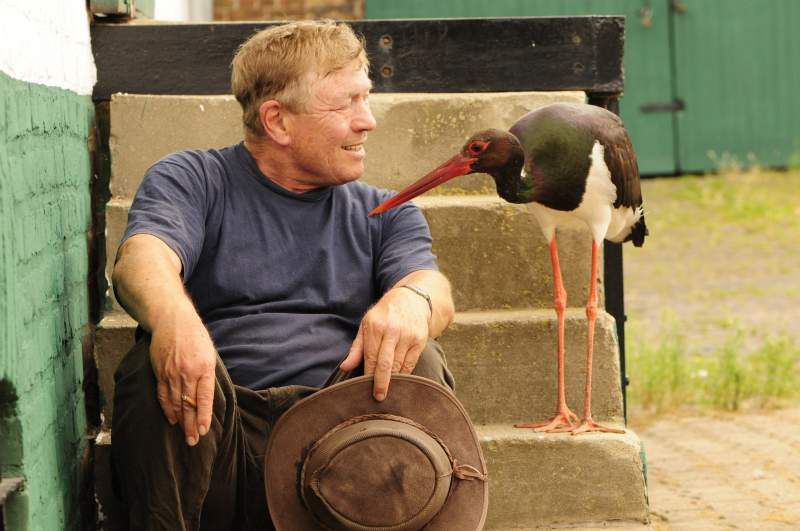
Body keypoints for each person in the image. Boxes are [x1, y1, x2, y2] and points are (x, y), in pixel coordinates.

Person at [110, 20, 456, 530]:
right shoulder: (194, 180)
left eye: (366, 98)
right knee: (152, 363)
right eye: (347, 104)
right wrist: (174, 323)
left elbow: (431, 286)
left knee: (419, 354)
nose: (367, 122)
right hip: (217, 435)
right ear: (278, 121)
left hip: (345, 443)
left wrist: (413, 301)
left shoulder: (387, 212)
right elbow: (142, 257)